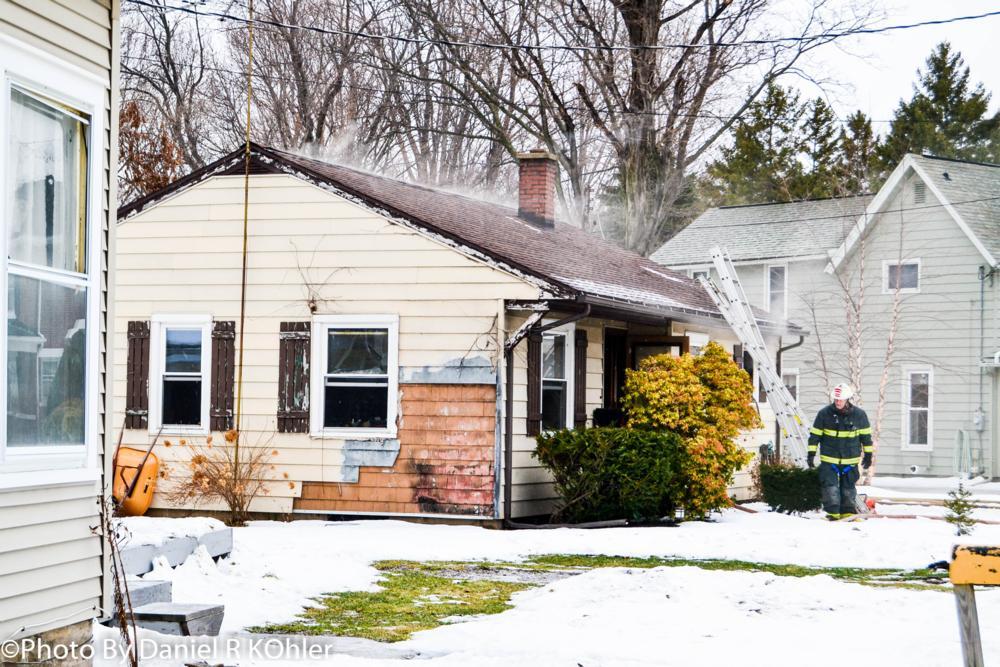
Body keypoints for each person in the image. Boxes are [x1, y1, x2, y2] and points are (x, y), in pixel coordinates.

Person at [807, 384, 873, 520]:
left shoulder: (859, 415)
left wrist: (868, 455)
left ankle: (848, 513)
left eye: (840, 399)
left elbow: (866, 437)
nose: (838, 402)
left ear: (847, 399)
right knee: (830, 488)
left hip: (850, 460)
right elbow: (815, 436)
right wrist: (811, 454)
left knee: (848, 488)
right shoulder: (824, 414)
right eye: (836, 399)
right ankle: (833, 514)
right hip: (829, 459)